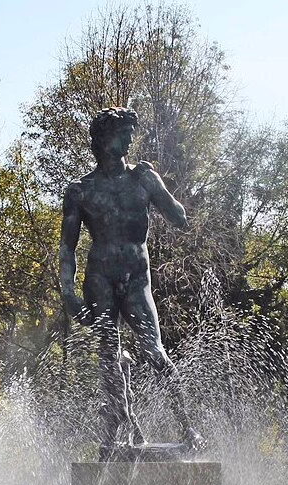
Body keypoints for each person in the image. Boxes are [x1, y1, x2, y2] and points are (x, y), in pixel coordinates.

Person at [58, 106, 201, 451]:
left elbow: (179, 217)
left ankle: (187, 429)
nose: (130, 139)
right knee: (109, 355)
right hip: (100, 278)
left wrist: (159, 188)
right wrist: (68, 292)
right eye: (124, 133)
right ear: (104, 140)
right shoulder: (81, 190)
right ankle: (116, 433)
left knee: (154, 350)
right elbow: (68, 247)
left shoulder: (143, 178)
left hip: (136, 276)